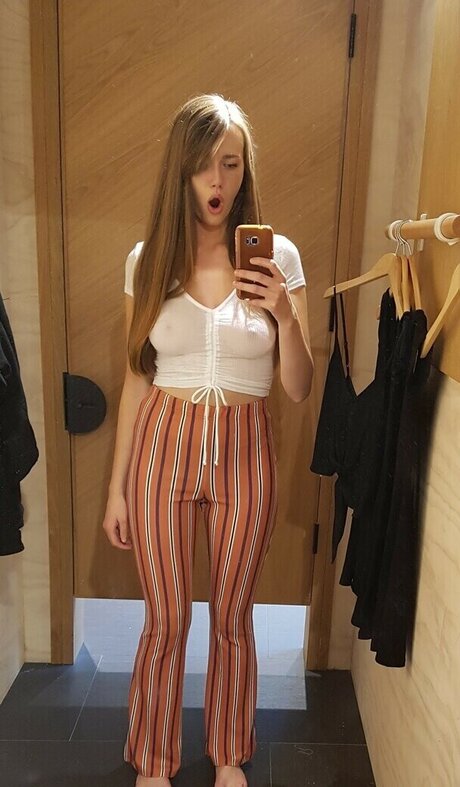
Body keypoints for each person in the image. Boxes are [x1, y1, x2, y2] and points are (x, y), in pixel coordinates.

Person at [102, 93, 314, 787]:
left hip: (246, 447)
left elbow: (299, 388)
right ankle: (154, 758)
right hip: (163, 445)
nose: (217, 181)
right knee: (164, 618)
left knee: (232, 612)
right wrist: (117, 490)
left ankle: (228, 752)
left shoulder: (278, 256)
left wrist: (284, 315)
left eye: (230, 163)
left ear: (246, 168)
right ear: (181, 170)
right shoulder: (148, 259)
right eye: (202, 165)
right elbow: (136, 378)